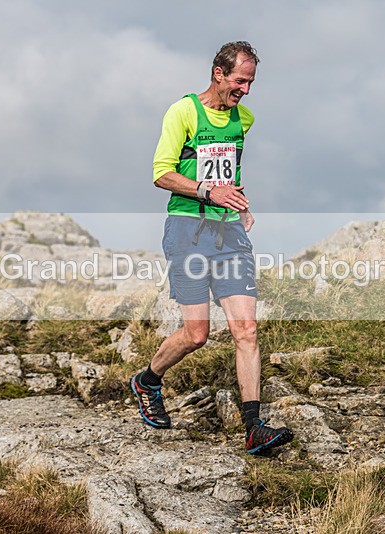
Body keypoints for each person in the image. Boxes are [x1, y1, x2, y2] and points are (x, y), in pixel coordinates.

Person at [130, 41, 293, 455]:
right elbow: (161, 173)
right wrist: (208, 191)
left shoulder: (244, 118)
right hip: (187, 230)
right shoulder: (184, 111)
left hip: (229, 235)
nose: (246, 90)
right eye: (240, 81)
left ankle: (253, 427)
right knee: (197, 334)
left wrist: (239, 202)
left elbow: (228, 171)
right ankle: (148, 380)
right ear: (218, 73)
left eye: (251, 82)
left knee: (247, 329)